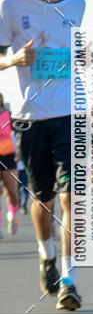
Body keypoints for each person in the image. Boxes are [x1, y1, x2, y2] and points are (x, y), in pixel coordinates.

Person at [0, 0, 84, 308]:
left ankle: (68, 279)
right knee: (44, 198)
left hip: (69, 111)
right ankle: (46, 253)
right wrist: (14, 60)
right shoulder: (12, 5)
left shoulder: (77, 3)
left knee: (73, 198)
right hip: (29, 117)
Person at [0, 93, 19, 235]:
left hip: (8, 156)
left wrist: (20, 153)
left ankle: (12, 215)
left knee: (12, 192)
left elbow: (19, 133)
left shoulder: (8, 114)